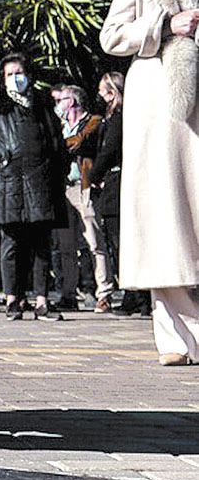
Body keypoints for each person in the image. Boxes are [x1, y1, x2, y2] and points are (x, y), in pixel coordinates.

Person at [100, 0, 199, 364]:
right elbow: (112, 35)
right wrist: (163, 24)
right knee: (170, 217)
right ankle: (178, 338)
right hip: (164, 101)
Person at [0, 53, 66, 321]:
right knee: (10, 244)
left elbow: (56, 142)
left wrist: (55, 169)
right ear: (3, 79)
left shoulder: (43, 104)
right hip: (8, 184)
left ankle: (42, 301)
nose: (16, 78)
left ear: (29, 75)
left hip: (40, 183)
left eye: (19, 72)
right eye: (10, 74)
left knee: (41, 245)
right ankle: (12, 299)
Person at [91, 71, 150, 317]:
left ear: (112, 92)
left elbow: (109, 150)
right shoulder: (126, 116)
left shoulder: (118, 118)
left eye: (103, 90)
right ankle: (138, 295)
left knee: (121, 241)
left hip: (116, 185)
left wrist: (93, 174)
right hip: (121, 181)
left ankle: (135, 294)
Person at [52, 85, 113, 312]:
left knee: (94, 241)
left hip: (84, 186)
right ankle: (68, 294)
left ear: (72, 101)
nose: (58, 105)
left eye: (61, 100)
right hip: (64, 188)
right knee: (66, 245)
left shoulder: (93, 121)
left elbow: (80, 142)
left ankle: (104, 292)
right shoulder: (59, 126)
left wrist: (59, 145)